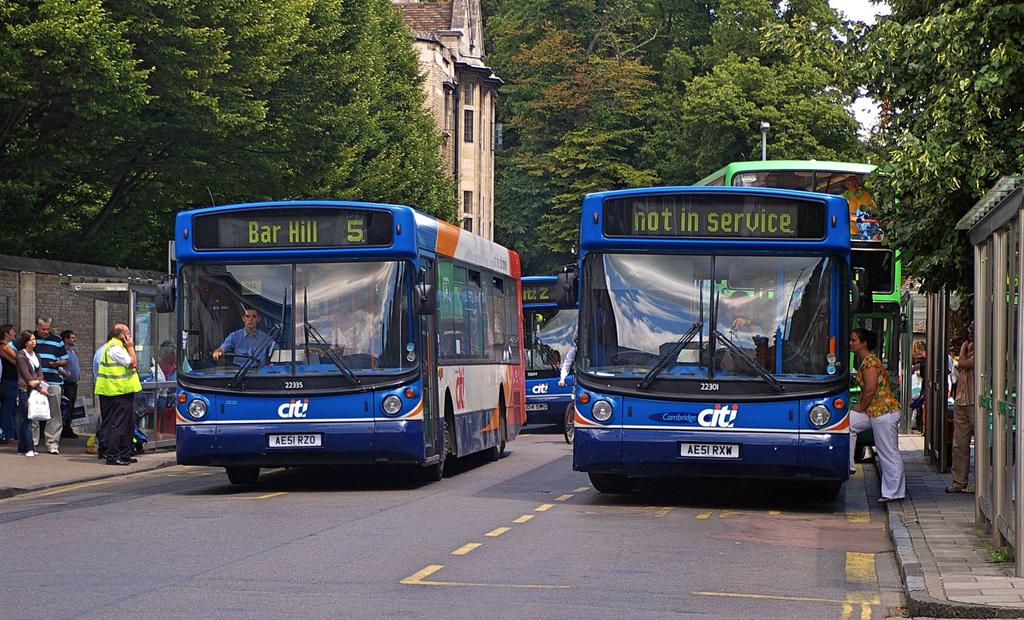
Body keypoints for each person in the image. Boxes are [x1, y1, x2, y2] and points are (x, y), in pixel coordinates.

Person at [849, 327, 906, 503]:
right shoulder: (865, 361)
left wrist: (860, 406)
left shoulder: (870, 363)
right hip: (874, 411)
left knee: (887, 452)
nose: (850, 343)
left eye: (854, 340)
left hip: (884, 412)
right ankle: (848, 465)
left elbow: (870, 389)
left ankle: (893, 492)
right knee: (846, 423)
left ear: (863, 343)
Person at [95, 323, 142, 466]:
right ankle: (113, 456)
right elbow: (132, 363)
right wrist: (130, 347)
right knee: (118, 425)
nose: (130, 336)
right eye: (128, 333)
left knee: (127, 424)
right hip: (117, 391)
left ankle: (125, 453)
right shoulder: (115, 348)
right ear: (122, 335)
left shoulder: (115, 347)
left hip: (121, 390)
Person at [32, 317, 67, 454]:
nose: (46, 331)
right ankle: (32, 442)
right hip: (35, 381)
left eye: (48, 329)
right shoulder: (32, 339)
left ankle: (52, 443)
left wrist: (59, 363)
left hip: (53, 380)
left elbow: (65, 359)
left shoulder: (57, 340)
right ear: (37, 328)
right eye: (43, 329)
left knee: (54, 413)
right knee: (33, 412)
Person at [949, 323, 975, 493]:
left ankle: (980, 483)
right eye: (970, 329)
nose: (971, 331)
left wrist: (963, 350)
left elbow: (964, 364)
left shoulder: (984, 346)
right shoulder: (968, 346)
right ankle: (959, 481)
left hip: (975, 401)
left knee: (982, 445)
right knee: (959, 444)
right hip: (961, 400)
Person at [15, 330, 45, 457]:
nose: (33, 342)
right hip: (24, 389)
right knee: (27, 418)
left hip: (34, 388)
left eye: (34, 339)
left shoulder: (37, 356)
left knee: (29, 418)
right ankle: (29, 447)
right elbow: (27, 377)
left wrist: (38, 382)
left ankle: (22, 447)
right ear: (25, 342)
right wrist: (39, 386)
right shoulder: (21, 356)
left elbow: (40, 373)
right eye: (31, 340)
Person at [59, 329, 81, 439]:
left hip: (72, 383)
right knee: (66, 407)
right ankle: (65, 429)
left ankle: (67, 427)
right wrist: (63, 373)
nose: (74, 339)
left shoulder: (71, 350)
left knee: (71, 407)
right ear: (66, 339)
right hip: (66, 383)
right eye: (72, 338)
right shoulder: (62, 351)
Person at [0, 324, 18, 444]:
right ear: (6, 333)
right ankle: (8, 434)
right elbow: (17, 360)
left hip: (12, 380)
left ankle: (12, 433)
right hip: (8, 380)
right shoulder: (3, 346)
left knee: (12, 408)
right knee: (8, 408)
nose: (14, 333)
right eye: (12, 331)